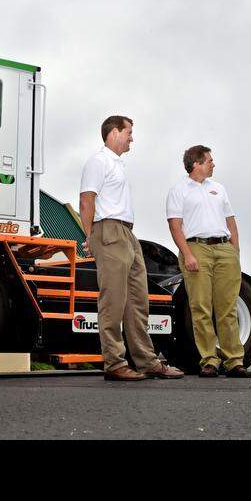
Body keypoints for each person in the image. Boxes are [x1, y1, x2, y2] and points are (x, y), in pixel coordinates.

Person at [79, 115, 184, 381]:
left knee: (138, 301)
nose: (132, 138)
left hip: (127, 233)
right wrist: (89, 236)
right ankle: (114, 363)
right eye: (129, 132)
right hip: (109, 231)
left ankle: (147, 361)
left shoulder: (117, 164)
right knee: (113, 300)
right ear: (114, 132)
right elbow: (86, 200)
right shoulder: (98, 161)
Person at [166, 145, 251, 378]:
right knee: (201, 307)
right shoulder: (178, 190)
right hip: (196, 248)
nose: (213, 164)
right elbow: (175, 225)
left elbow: (230, 220)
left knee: (227, 307)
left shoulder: (219, 189)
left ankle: (234, 361)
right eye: (209, 160)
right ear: (196, 163)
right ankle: (209, 360)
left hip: (224, 249)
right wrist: (188, 254)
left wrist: (235, 250)